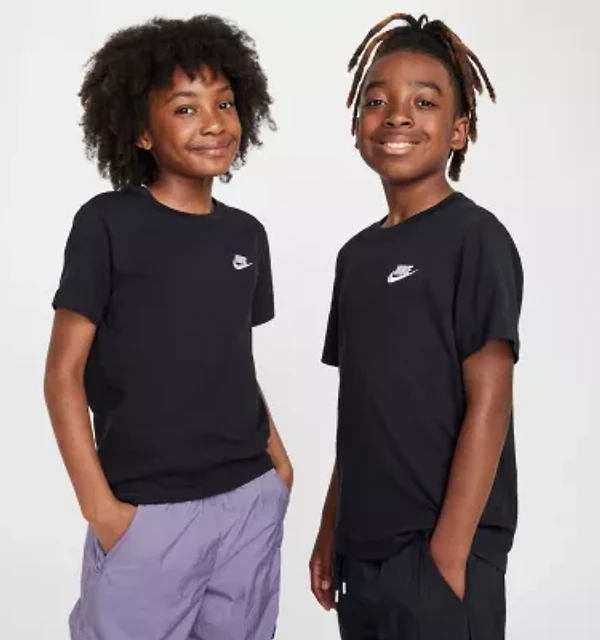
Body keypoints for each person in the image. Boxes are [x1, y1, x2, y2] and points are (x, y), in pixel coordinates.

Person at [44, 15, 292, 640]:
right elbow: (63, 375)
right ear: (142, 132)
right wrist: (103, 511)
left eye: (225, 104)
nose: (213, 123)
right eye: (185, 108)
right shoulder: (106, 224)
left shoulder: (247, 236)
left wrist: (278, 468)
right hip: (147, 515)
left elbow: (232, 358)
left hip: (249, 500)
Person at [310, 13, 523, 640]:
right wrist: (331, 529)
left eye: (424, 102)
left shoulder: (475, 238)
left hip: (439, 554)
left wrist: (448, 556)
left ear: (459, 130)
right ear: (358, 126)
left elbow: (491, 403)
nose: (397, 116)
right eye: (377, 101)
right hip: (361, 554)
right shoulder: (355, 257)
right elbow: (361, 411)